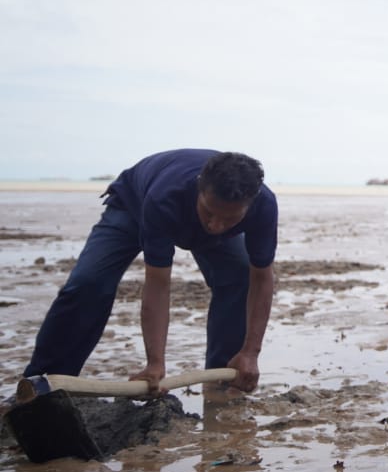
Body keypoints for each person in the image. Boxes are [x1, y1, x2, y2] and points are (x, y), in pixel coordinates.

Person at [22, 149, 278, 393]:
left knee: (240, 278)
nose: (215, 225)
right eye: (209, 212)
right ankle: (42, 384)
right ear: (199, 188)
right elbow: (158, 284)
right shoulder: (166, 196)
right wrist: (155, 362)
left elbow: (262, 279)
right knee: (89, 284)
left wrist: (250, 352)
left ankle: (224, 380)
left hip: (191, 211)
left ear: (250, 204)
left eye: (229, 219)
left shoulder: (263, 205)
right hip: (133, 206)